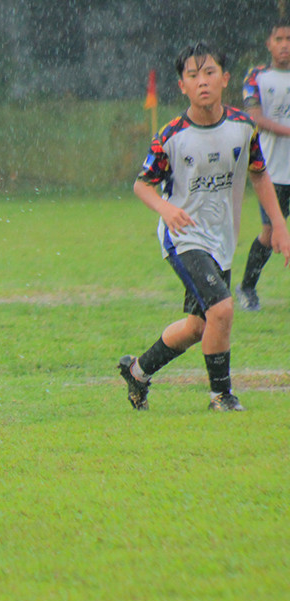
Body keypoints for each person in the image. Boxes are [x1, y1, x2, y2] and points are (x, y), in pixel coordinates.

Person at [119, 42, 290, 412]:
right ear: (181, 85)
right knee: (223, 310)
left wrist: (279, 224)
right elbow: (141, 184)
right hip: (183, 237)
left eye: (209, 72)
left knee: (199, 326)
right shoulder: (171, 135)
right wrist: (166, 209)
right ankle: (221, 396)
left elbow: (259, 175)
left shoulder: (243, 128)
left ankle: (137, 371)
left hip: (221, 239)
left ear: (225, 79)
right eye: (192, 76)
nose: (202, 82)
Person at [236, 18, 290, 311]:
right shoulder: (257, 76)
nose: (284, 45)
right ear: (269, 43)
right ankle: (247, 287)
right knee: (270, 234)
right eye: (279, 39)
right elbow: (255, 117)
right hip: (274, 172)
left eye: (289, 39)